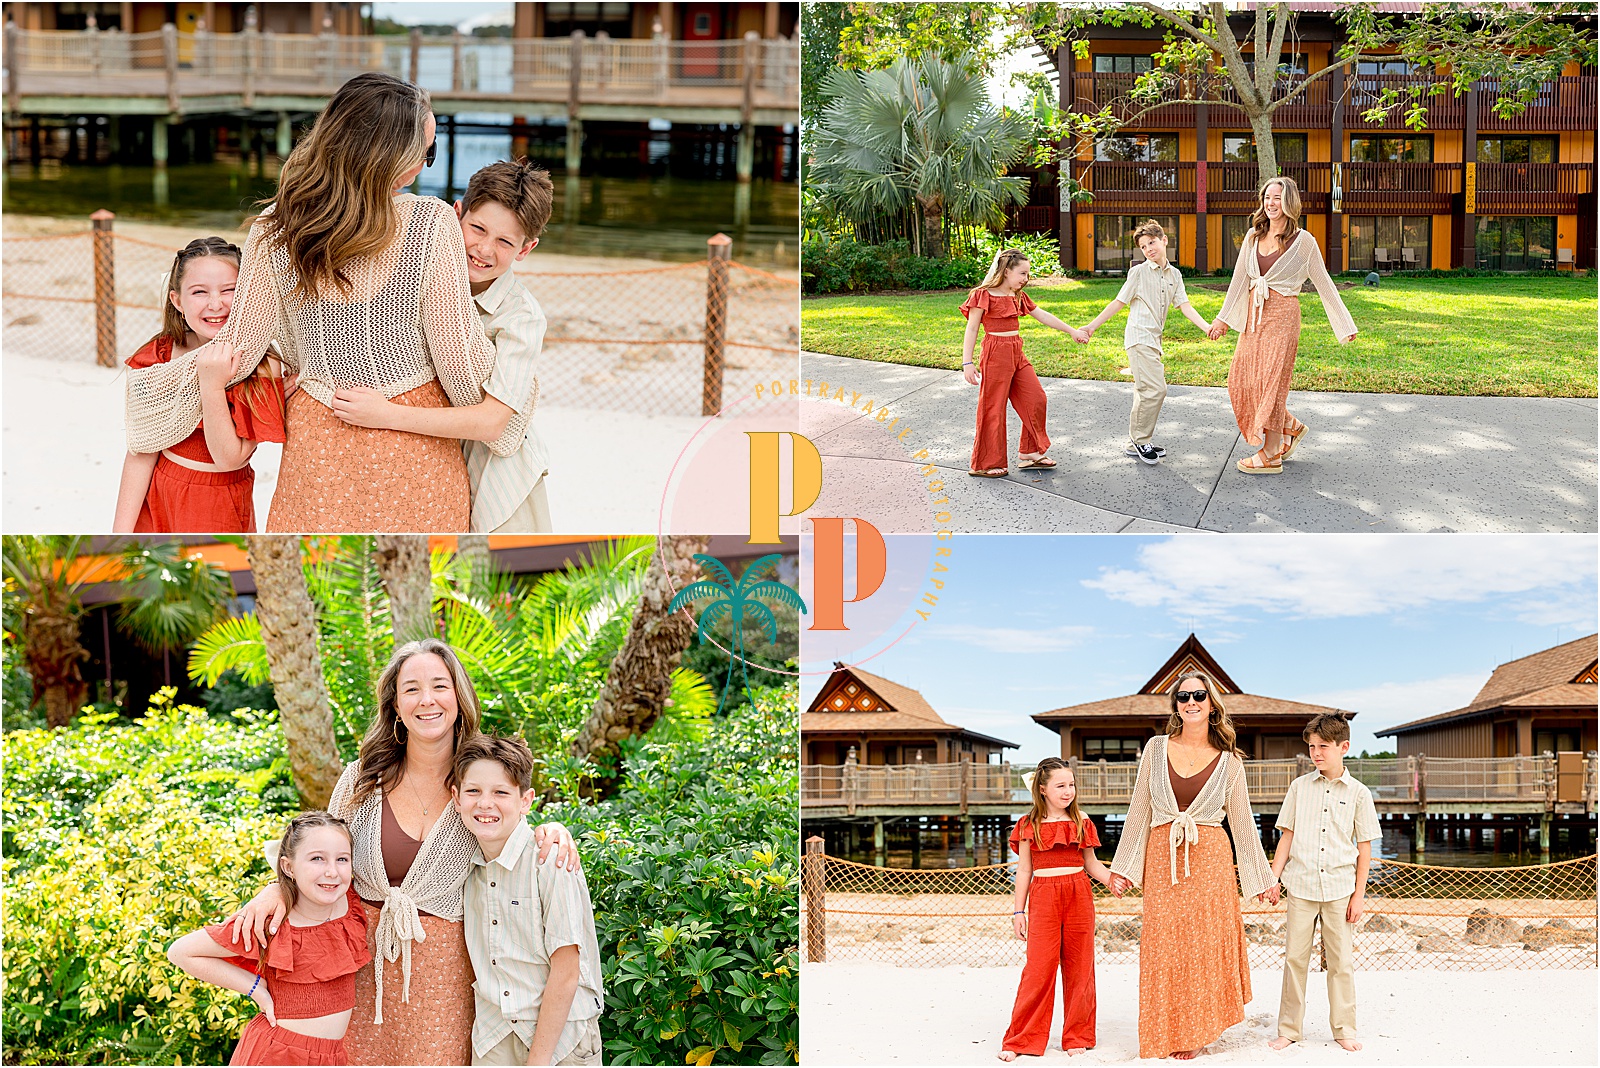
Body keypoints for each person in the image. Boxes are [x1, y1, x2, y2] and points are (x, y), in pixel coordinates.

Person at [125, 72, 511, 532]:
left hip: (319, 436)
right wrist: (504, 403)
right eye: (423, 153)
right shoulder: (431, 221)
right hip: (417, 437)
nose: (425, 167)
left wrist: (160, 392)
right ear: (388, 154)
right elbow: (457, 360)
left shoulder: (277, 226)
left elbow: (240, 347)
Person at [227, 639, 579, 1065]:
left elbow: (511, 832)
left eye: (440, 686)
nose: (426, 700)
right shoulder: (361, 781)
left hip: (445, 986)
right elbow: (316, 854)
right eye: (411, 688)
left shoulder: (478, 782)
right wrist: (277, 889)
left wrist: (553, 828)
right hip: (357, 973)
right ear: (394, 704)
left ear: (459, 697)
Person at [329, 158, 554, 533]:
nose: (483, 249)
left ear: (525, 249)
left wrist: (384, 414)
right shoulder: (414, 274)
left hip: (503, 482)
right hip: (434, 463)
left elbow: (492, 423)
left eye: (504, 242)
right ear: (455, 215)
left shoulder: (521, 317)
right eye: (477, 228)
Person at [1108, 672, 1278, 1060]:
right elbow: (1139, 810)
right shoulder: (1155, 749)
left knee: (1203, 945)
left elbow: (1243, 823)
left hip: (1211, 861)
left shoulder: (1230, 762)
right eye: (1182, 696)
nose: (1191, 701)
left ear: (1212, 703)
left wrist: (1262, 879)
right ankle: (1164, 1029)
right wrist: (1124, 867)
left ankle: (1198, 1031)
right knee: (1163, 946)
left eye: (1199, 694)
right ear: (1176, 706)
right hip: (1163, 857)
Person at [112, 237, 286, 533]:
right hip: (159, 491)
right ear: (177, 301)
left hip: (218, 501)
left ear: (247, 295)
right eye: (199, 292)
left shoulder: (259, 363)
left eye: (229, 290)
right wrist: (120, 533)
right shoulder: (160, 356)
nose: (215, 304)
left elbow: (230, 458)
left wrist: (211, 385)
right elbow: (142, 451)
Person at [167, 812, 370, 1066]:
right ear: (288, 866)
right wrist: (256, 990)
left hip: (332, 1057)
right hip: (278, 1055)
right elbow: (181, 951)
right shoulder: (271, 921)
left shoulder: (350, 907)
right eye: (317, 859)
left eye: (342, 859)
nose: (332, 871)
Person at [452, 733, 604, 1066]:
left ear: (526, 800)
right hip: (495, 1037)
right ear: (456, 797)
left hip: (562, 1040)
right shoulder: (463, 867)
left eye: (501, 792)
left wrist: (539, 1061)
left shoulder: (550, 859)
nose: (485, 804)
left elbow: (566, 970)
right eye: (473, 791)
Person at [1207, 176, 1358, 475]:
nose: (1270, 203)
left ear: (1289, 202)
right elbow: (1239, 281)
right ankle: (1291, 426)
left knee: (1272, 384)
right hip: (1254, 316)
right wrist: (1222, 319)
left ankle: (1271, 454)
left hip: (1283, 316)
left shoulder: (1304, 242)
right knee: (1242, 380)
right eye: (1267, 197)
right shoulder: (1252, 236)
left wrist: (1344, 323)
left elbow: (1324, 284)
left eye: (1277, 198)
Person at [1267, 713, 1380, 1053]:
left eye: (1324, 747)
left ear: (1344, 747)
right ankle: (1289, 1029)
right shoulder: (1299, 787)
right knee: (1294, 960)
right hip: (1300, 887)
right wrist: (1273, 878)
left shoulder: (1360, 794)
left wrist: (1359, 896)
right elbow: (1286, 837)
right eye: (1312, 747)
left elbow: (1364, 849)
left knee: (1341, 963)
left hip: (1340, 890)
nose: (1316, 753)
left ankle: (1344, 1029)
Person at [999, 757, 1116, 1061]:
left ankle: (1077, 1035)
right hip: (1044, 897)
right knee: (1038, 970)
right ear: (1042, 790)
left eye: (1071, 785)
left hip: (1079, 894)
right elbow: (1024, 871)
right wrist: (1018, 911)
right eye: (1060, 785)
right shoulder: (1027, 824)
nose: (1068, 791)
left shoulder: (1082, 820)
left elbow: (1091, 864)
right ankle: (1022, 1039)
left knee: (1080, 967)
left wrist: (1111, 880)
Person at [1080, 220, 1214, 466]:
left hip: (1154, 340)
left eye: (1151, 242)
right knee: (1156, 389)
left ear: (1164, 240)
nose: (1148, 249)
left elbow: (1184, 306)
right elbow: (1119, 302)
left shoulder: (1175, 274)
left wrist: (1206, 327)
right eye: (1143, 246)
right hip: (1139, 337)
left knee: (1145, 391)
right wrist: (1091, 326)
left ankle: (1139, 440)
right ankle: (1140, 440)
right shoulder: (1139, 272)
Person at [958, 249, 1087, 478]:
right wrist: (967, 362)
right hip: (995, 353)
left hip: (1017, 351)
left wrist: (1071, 331)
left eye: (1028, 274)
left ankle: (1029, 453)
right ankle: (984, 463)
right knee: (993, 408)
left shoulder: (1018, 296)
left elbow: (1043, 315)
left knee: (1036, 398)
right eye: (1022, 274)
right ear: (1006, 271)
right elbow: (972, 328)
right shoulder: (982, 295)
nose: (1025, 279)